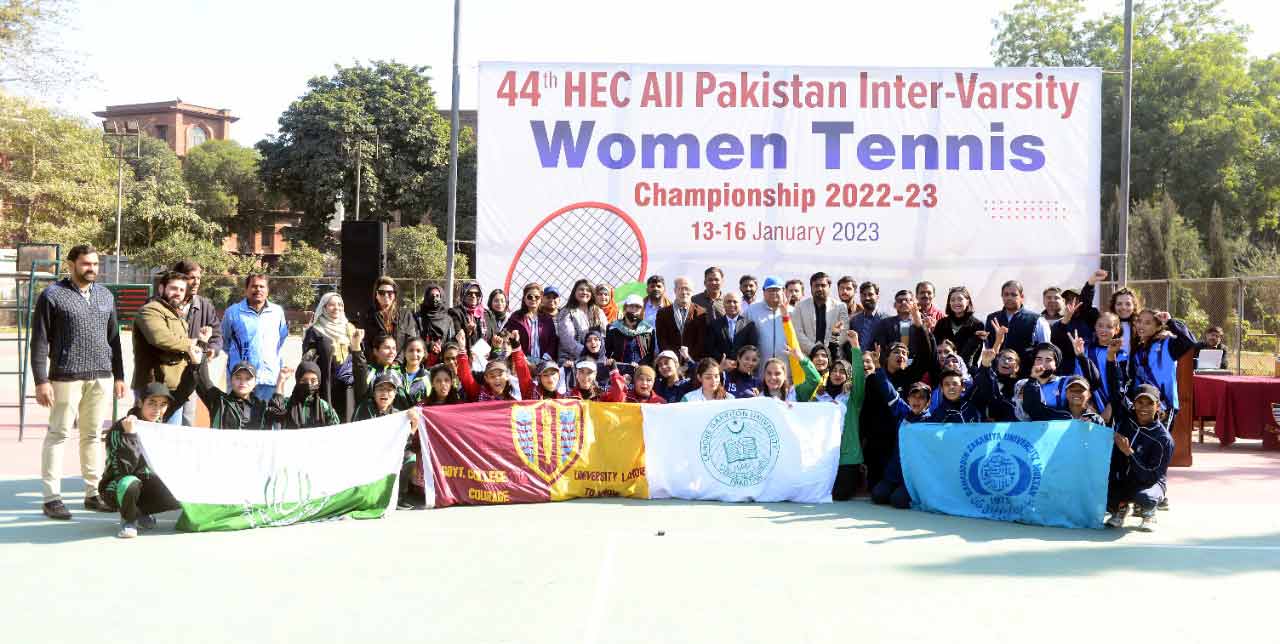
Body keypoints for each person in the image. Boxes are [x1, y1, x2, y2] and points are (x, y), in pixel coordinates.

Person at [31, 244, 126, 519]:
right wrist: (41, 380)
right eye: (86, 264)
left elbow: (114, 339)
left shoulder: (105, 295)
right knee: (58, 434)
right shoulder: (52, 295)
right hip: (65, 376)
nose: (92, 268)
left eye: (95, 264)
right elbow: (39, 341)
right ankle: (51, 498)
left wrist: (119, 375)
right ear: (71, 265)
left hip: (101, 377)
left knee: (93, 436)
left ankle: (93, 494)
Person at [100, 378, 192, 538]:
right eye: (152, 403)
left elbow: (185, 390)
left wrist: (195, 367)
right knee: (129, 483)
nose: (157, 409)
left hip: (147, 482)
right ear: (140, 403)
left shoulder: (159, 426)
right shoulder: (120, 428)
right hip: (117, 485)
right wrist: (130, 435)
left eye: (163, 405)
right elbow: (122, 470)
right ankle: (129, 520)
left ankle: (140, 511)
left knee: (183, 486)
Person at [1105, 344, 1174, 532]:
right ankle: (1120, 508)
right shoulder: (1126, 418)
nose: (1143, 407)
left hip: (1150, 482)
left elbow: (1151, 474)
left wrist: (1129, 453)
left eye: (1149, 403)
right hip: (1125, 479)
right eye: (1139, 402)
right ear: (1133, 404)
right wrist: (1111, 358)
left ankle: (1149, 512)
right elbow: (1115, 388)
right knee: (1101, 488)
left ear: (1157, 407)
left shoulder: (1163, 439)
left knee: (1145, 497)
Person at [131, 270, 198, 425]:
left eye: (182, 290)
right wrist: (191, 344)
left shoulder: (177, 315)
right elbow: (160, 338)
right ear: (161, 289)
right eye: (173, 288)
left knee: (170, 436)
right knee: (147, 436)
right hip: (152, 387)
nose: (178, 293)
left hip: (174, 387)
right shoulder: (150, 310)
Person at [867, 359, 934, 510]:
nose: (916, 400)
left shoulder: (932, 422)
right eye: (913, 396)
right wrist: (879, 368)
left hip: (914, 476)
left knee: (898, 501)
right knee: (877, 496)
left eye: (921, 397)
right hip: (894, 472)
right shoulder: (903, 411)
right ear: (908, 398)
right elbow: (888, 390)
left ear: (928, 402)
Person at [193, 325, 288, 431]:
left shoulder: (262, 407)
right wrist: (202, 343)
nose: (243, 382)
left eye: (248, 379)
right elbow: (202, 377)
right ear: (231, 380)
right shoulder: (219, 401)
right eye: (238, 378)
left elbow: (279, 413)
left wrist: (280, 382)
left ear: (255, 383)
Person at [171, 259, 222, 426]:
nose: (196, 282)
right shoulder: (164, 304)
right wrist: (193, 342)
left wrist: (213, 348)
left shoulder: (205, 305)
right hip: (170, 373)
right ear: (179, 278)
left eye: (199, 278)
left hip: (194, 372)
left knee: (188, 419)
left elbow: (216, 334)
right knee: (170, 419)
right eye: (192, 277)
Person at [222, 273, 289, 401]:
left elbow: (281, 339)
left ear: (267, 290)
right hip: (241, 380)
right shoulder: (233, 312)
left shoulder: (277, 312)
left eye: (262, 286)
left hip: (269, 379)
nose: (258, 289)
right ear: (246, 289)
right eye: (254, 286)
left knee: (269, 413)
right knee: (239, 414)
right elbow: (225, 341)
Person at [302, 292, 357, 422]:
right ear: (324, 307)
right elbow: (308, 362)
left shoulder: (350, 329)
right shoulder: (315, 331)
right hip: (325, 385)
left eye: (340, 304)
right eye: (331, 305)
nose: (336, 308)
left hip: (347, 386)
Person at [984, 280, 1051, 376]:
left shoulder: (1037, 320)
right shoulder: (992, 318)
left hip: (1025, 375)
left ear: (1022, 297)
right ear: (1002, 296)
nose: (1009, 298)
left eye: (1013, 295)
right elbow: (988, 348)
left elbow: (1045, 350)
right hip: (996, 375)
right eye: (1006, 294)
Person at [1048, 269, 1107, 373]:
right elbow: (1055, 343)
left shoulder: (1090, 317)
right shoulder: (1059, 324)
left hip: (1091, 366)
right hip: (1069, 371)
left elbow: (1087, 299)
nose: (1072, 303)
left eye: (1075, 299)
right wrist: (1066, 320)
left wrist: (1091, 282)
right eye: (1068, 300)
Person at [361, 276, 420, 361]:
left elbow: (411, 340)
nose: (386, 295)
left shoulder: (405, 315)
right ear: (376, 295)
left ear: (395, 295)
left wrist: (398, 361)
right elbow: (366, 343)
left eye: (390, 293)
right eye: (381, 292)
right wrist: (378, 360)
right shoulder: (368, 316)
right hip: (377, 364)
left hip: (401, 364)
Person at [872, 291, 935, 368]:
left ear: (914, 303)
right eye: (900, 301)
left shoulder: (921, 324)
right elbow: (881, 347)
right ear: (895, 305)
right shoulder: (885, 324)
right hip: (893, 366)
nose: (903, 303)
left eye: (907, 300)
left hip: (917, 366)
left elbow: (928, 348)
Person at [746, 277, 792, 375]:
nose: (773, 293)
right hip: (760, 369)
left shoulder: (792, 311)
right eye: (770, 290)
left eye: (776, 290)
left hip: (786, 369)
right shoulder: (752, 310)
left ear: (783, 291)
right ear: (763, 292)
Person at [557, 278, 608, 365]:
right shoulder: (566, 312)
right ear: (574, 292)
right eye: (581, 289)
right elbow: (568, 340)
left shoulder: (598, 311)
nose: (584, 292)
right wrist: (587, 353)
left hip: (597, 357)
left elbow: (604, 336)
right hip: (571, 359)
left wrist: (597, 352)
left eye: (588, 290)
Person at [794, 272, 848, 354]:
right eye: (816, 286)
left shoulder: (840, 307)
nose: (819, 288)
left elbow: (844, 332)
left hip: (834, 355)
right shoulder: (800, 307)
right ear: (811, 288)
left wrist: (827, 350)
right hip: (808, 355)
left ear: (829, 287)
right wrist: (815, 350)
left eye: (823, 285)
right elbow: (798, 333)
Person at [932, 286, 986, 368]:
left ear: (967, 301)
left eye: (960, 299)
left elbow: (976, 353)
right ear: (949, 303)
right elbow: (936, 349)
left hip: (967, 369)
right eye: (952, 300)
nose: (956, 302)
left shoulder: (977, 325)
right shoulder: (942, 323)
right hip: (943, 369)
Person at [504, 283, 558, 363]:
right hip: (522, 360)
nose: (533, 299)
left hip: (544, 361)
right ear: (524, 298)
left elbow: (553, 341)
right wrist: (524, 359)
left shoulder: (547, 318)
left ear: (541, 299)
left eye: (537, 297)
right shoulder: (516, 317)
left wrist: (546, 358)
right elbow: (508, 339)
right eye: (530, 297)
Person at [278, 361, 341, 429]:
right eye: (304, 380)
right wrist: (280, 382)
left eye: (313, 381)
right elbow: (275, 412)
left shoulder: (324, 406)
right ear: (298, 381)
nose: (309, 384)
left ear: (318, 382)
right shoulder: (288, 404)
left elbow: (336, 428)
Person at [655, 277, 707, 360]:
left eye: (687, 289)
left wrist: (688, 359)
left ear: (692, 291)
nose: (684, 292)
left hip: (693, 361)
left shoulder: (701, 313)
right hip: (671, 361)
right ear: (675, 291)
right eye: (681, 288)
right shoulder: (663, 313)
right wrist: (673, 358)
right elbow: (662, 340)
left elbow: (701, 342)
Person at [605, 294, 656, 374]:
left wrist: (640, 365)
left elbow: (650, 354)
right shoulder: (613, 328)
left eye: (637, 307)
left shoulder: (648, 330)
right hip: (618, 371)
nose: (634, 309)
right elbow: (607, 351)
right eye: (631, 306)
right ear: (625, 307)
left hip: (640, 372)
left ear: (642, 310)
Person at [704, 291, 758, 363]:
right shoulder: (714, 324)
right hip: (721, 365)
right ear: (723, 304)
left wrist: (740, 361)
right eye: (728, 302)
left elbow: (752, 347)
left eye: (735, 302)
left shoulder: (749, 325)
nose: (732, 304)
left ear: (740, 304)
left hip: (743, 365)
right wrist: (724, 360)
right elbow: (710, 348)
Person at [848, 281, 890, 353]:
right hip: (857, 358)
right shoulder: (854, 320)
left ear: (877, 296)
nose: (867, 298)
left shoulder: (886, 320)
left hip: (878, 359)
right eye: (864, 295)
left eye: (870, 294)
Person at [449, 281, 492, 350]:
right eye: (469, 293)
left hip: (486, 355)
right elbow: (454, 338)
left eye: (477, 294)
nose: (473, 296)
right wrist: (467, 331)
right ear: (463, 294)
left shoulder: (487, 314)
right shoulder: (455, 312)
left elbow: (494, 337)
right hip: (464, 353)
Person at [418, 282, 457, 347]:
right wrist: (430, 346)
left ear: (441, 297)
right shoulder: (418, 318)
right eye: (431, 295)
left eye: (437, 296)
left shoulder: (448, 319)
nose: (434, 298)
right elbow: (415, 340)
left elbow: (451, 342)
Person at [1109, 287, 1141, 355]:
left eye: (1128, 304)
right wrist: (1091, 284)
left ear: (1134, 306)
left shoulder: (1140, 325)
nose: (1123, 307)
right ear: (1113, 306)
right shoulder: (1108, 323)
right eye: (1119, 304)